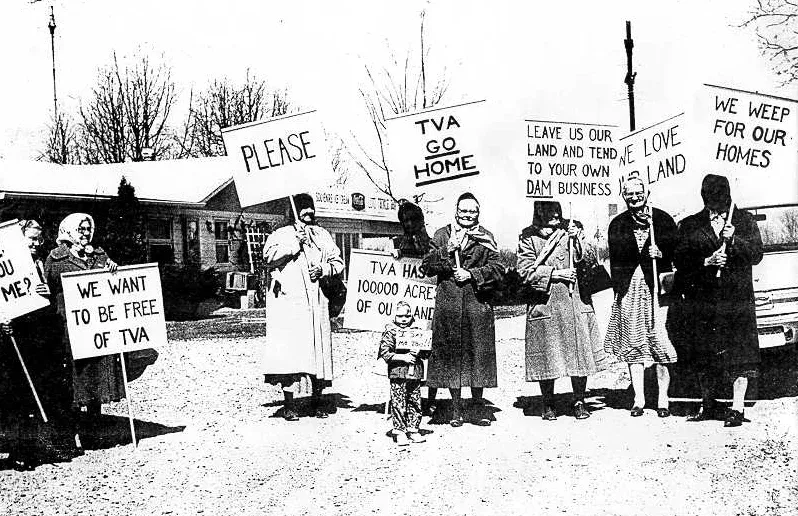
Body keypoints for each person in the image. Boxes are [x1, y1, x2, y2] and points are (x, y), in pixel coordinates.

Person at [672, 174, 763, 427]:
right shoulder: (690, 224)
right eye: (712, 197)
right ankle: (708, 403)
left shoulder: (744, 221)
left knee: (739, 354)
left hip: (736, 300)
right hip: (703, 300)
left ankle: (737, 407)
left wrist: (734, 240)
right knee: (705, 353)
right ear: (704, 198)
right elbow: (680, 260)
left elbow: (756, 254)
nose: (718, 202)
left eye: (722, 196)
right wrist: (707, 262)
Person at [0, 220, 79, 470]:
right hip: (8, 340)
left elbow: (46, 301)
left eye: (38, 239)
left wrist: (46, 292)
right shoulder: (6, 266)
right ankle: (16, 450)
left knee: (32, 395)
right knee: (12, 397)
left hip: (33, 338)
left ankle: (30, 449)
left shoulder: (38, 264)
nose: (35, 244)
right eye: (31, 239)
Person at [517, 201, 606, 420]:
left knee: (579, 352)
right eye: (549, 210)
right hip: (545, 302)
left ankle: (579, 400)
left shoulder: (573, 228)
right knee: (548, 353)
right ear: (539, 211)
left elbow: (590, 262)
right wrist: (556, 274)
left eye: (557, 209)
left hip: (575, 300)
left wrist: (579, 240)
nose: (555, 214)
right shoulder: (528, 237)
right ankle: (548, 402)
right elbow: (524, 271)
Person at [422, 192, 503, 427]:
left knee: (478, 355)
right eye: (464, 211)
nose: (467, 215)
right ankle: (455, 409)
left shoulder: (486, 237)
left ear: (478, 213)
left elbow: (498, 269)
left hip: (477, 305)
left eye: (472, 211)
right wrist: (447, 250)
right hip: (449, 306)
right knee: (451, 356)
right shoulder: (442, 234)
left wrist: (472, 274)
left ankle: (478, 408)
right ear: (456, 211)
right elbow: (427, 265)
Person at [261, 193, 344, 421]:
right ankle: (290, 405)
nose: (308, 212)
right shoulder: (281, 234)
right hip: (290, 303)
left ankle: (317, 402)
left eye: (310, 208)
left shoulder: (322, 235)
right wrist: (293, 243)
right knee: (292, 352)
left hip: (317, 302)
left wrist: (324, 269)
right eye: (303, 208)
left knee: (317, 352)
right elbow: (268, 258)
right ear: (294, 210)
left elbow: (337, 262)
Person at [604, 177, 679, 417]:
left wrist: (663, 252)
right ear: (624, 196)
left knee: (660, 340)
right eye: (629, 194)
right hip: (630, 288)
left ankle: (663, 399)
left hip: (658, 288)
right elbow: (615, 259)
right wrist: (620, 286)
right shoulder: (617, 224)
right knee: (633, 342)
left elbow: (679, 252)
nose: (634, 197)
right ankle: (639, 399)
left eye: (638, 193)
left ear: (647, 192)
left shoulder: (663, 220)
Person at [45, 213, 121, 419]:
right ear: (69, 230)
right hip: (70, 325)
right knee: (77, 372)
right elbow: (48, 289)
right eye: (81, 229)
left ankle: (96, 420)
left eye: (88, 229)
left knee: (97, 370)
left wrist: (113, 269)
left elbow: (112, 285)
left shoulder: (99, 255)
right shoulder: (56, 257)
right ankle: (76, 422)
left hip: (96, 324)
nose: (86, 233)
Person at [392, 200, 438, 416]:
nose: (409, 224)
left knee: (427, 351)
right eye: (405, 221)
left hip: (427, 305)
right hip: (409, 306)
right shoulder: (398, 242)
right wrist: (396, 257)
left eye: (413, 220)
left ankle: (430, 398)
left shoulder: (431, 244)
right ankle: (400, 397)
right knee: (403, 351)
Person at [377, 301, 428, 446]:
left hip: (415, 373)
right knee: (398, 402)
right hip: (398, 373)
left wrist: (420, 350)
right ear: (394, 316)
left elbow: (427, 352)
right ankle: (399, 431)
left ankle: (413, 429)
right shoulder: (390, 331)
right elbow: (385, 352)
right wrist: (403, 357)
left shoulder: (418, 331)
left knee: (415, 401)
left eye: (407, 315)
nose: (404, 319)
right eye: (400, 316)